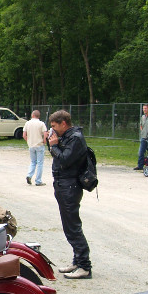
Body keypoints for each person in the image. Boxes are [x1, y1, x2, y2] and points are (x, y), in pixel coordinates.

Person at [47, 110, 91, 279]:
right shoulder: (66, 137)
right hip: (62, 183)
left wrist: (54, 146)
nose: (53, 129)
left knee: (73, 227)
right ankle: (77, 261)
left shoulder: (76, 138)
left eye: (54, 126)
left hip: (70, 185)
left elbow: (64, 159)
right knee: (68, 226)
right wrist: (51, 143)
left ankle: (85, 266)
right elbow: (57, 155)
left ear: (63, 123)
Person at [22, 110, 48, 186]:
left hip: (31, 145)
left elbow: (24, 135)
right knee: (40, 163)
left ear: (32, 115)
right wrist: (44, 141)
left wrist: (28, 141)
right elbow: (45, 133)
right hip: (39, 145)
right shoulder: (41, 123)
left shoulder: (27, 123)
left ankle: (29, 175)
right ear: (38, 116)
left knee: (33, 162)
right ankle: (38, 181)